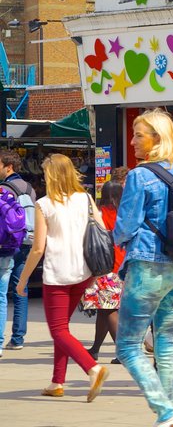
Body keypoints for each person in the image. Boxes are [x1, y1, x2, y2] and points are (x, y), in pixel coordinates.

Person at [114, 109, 173, 427]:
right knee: (166, 338)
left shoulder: (139, 176)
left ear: (156, 140)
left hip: (147, 266)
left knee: (129, 344)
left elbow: (125, 227)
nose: (132, 141)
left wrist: (112, 238)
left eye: (138, 135)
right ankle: (170, 412)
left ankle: (166, 410)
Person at [15, 154, 109, 401]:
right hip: (82, 272)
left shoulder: (44, 204)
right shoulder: (85, 199)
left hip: (57, 274)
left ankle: (92, 368)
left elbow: (37, 248)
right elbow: (101, 229)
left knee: (58, 331)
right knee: (63, 330)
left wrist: (23, 281)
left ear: (51, 176)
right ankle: (57, 382)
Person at [81, 181, 126, 364]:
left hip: (104, 266)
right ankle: (95, 348)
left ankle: (123, 352)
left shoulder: (99, 213)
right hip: (122, 264)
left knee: (108, 309)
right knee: (104, 309)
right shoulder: (125, 214)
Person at [1, 149, 37, 354]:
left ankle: (3, 337)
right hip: (28, 241)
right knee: (20, 287)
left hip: (9, 243)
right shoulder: (30, 188)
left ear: (9, 166)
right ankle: (18, 337)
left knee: (2, 291)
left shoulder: (4, 188)